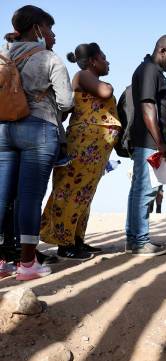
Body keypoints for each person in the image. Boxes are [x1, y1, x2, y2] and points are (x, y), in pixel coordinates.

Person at [0, 5, 73, 280]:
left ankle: (2, 261)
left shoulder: (2, 54)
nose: (53, 35)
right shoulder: (49, 58)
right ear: (38, 29)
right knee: (29, 196)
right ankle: (28, 264)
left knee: (2, 195)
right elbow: (67, 101)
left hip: (3, 129)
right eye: (50, 29)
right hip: (39, 130)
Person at [40, 42, 121, 260]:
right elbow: (106, 91)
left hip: (93, 147)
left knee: (84, 193)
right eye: (104, 57)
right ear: (93, 60)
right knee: (72, 190)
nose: (107, 61)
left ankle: (76, 239)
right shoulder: (83, 75)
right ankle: (64, 243)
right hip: (84, 144)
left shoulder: (87, 76)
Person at [126, 35, 166, 256]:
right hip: (149, 141)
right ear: (162, 50)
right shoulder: (149, 70)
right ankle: (140, 241)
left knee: (138, 190)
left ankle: (134, 239)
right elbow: (148, 106)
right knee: (146, 191)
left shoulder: (150, 70)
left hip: (150, 140)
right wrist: (160, 143)